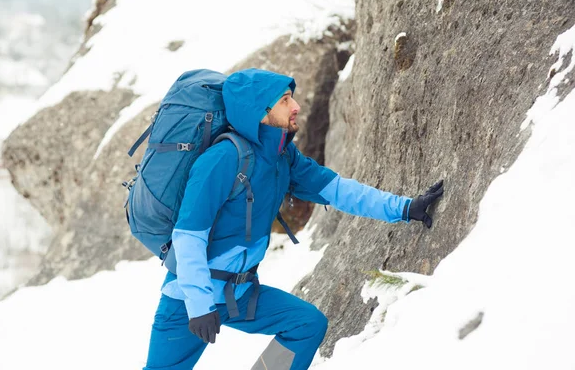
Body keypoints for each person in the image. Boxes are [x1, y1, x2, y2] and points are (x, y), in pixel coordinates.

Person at [143, 68, 444, 370]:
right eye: (285, 99)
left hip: (241, 293)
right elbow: (189, 236)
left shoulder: (283, 156)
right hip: (188, 299)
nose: (296, 105)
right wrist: (198, 306)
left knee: (306, 324)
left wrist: (404, 208)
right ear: (261, 111)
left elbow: (339, 190)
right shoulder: (221, 159)